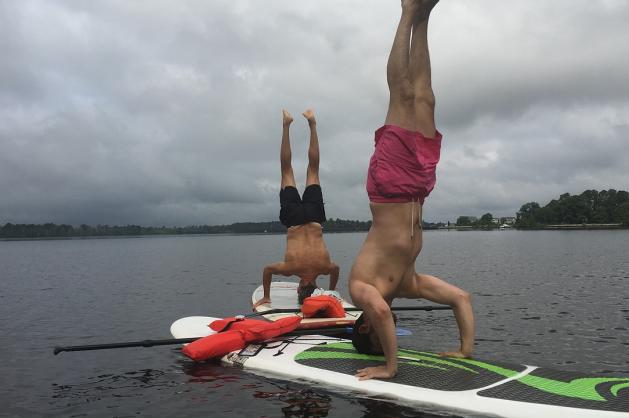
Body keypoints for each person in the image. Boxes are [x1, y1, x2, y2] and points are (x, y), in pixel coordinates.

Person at [348, 0, 475, 380]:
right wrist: (465, 350)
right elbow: (460, 298)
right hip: (419, 188)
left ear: (365, 327)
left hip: (389, 187)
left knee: (402, 95)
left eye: (383, 341)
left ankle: (406, 10)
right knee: (425, 97)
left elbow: (382, 312)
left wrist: (389, 367)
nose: (390, 331)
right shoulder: (406, 282)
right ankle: (425, 16)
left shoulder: (360, 289)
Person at [253, 109, 340, 310]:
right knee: (286, 170)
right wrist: (266, 296)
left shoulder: (326, 268)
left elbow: (336, 270)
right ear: (300, 289)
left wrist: (332, 290)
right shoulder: (289, 269)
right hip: (293, 220)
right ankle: (286, 124)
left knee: (313, 168)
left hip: (314, 218)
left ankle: (312, 123)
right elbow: (267, 270)